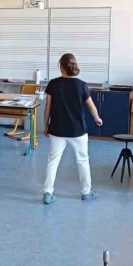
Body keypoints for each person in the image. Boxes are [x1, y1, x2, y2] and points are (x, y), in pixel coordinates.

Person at [42, 53, 102, 204]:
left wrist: (45, 125)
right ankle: (86, 192)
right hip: (77, 131)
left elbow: (47, 107)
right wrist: (97, 118)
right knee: (82, 160)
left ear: (61, 67)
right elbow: (91, 106)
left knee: (53, 160)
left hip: (57, 129)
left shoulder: (53, 84)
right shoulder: (81, 85)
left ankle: (48, 193)